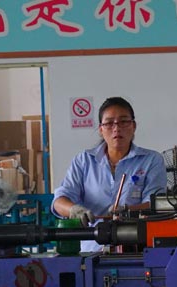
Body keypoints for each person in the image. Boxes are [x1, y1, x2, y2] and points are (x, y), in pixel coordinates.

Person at [52, 97, 166, 252]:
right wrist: (74, 210)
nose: (116, 128)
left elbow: (156, 204)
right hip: (91, 249)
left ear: (133, 126)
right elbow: (59, 201)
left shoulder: (151, 160)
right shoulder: (84, 161)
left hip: (135, 248)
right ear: (101, 129)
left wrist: (128, 210)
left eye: (123, 121)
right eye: (109, 123)